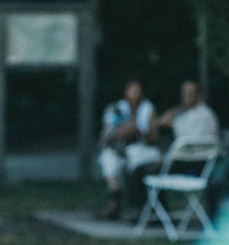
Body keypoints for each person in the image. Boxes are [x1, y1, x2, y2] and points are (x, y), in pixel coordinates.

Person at [131, 80, 221, 217]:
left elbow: (195, 147)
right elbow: (160, 126)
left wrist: (169, 158)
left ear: (199, 95)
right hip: (182, 159)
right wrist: (171, 114)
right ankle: (159, 213)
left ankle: (156, 214)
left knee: (144, 171)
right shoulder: (183, 115)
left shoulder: (205, 115)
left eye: (190, 93)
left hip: (195, 163)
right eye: (184, 93)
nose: (186, 96)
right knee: (142, 169)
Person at [94, 77, 160, 220]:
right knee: (109, 162)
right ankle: (114, 206)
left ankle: (143, 208)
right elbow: (109, 133)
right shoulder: (118, 108)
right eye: (131, 90)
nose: (134, 94)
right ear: (126, 92)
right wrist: (123, 132)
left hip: (140, 150)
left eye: (137, 91)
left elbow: (154, 138)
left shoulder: (148, 109)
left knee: (135, 160)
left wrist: (138, 131)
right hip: (119, 149)